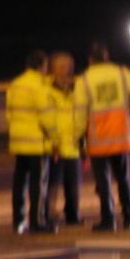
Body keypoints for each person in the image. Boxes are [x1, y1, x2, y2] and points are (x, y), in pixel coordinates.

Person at [74, 41, 130, 231]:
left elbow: (80, 113)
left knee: (103, 182)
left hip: (97, 140)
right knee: (124, 179)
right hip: (121, 137)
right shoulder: (122, 73)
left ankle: (108, 220)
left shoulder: (84, 81)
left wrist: (79, 137)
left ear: (90, 60)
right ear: (106, 57)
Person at [6, 49, 57, 234]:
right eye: (46, 66)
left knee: (20, 183)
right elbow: (47, 117)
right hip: (37, 143)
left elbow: (9, 113)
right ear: (42, 66)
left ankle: (18, 220)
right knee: (38, 184)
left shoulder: (15, 84)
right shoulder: (39, 86)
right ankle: (37, 221)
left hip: (19, 142)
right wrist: (56, 139)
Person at [45, 51, 82, 226]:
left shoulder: (78, 86)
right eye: (61, 67)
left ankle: (73, 215)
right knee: (52, 182)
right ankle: (49, 214)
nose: (66, 70)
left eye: (68, 66)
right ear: (53, 69)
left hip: (73, 143)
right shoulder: (46, 88)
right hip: (55, 144)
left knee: (73, 183)